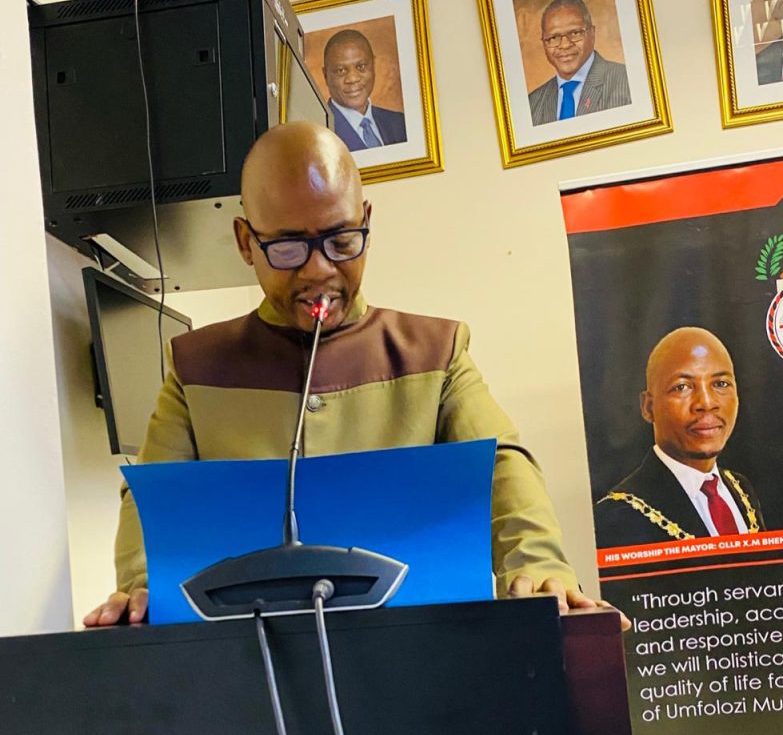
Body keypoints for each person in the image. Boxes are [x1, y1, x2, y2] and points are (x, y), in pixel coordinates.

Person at [85, 121, 608, 627]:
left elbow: (501, 464)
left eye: (340, 241)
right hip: (251, 656)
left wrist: (537, 565)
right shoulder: (195, 366)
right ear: (245, 242)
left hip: (415, 649)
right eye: (287, 247)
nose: (319, 269)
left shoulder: (437, 352)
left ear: (367, 223)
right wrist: (142, 585)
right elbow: (155, 500)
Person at [594, 327, 765, 548]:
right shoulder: (618, 516)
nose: (706, 403)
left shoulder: (741, 490)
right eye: (682, 387)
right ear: (648, 407)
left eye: (720, 384)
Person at [527, 0, 631, 126]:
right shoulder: (532, 104)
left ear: (592, 34)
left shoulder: (628, 81)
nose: (565, 45)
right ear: (544, 43)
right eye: (553, 38)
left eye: (575, 33)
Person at [321, 29, 407, 151]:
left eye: (361, 66)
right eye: (341, 70)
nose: (353, 79)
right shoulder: (320, 135)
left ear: (373, 65)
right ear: (325, 75)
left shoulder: (400, 123)